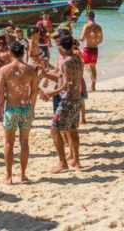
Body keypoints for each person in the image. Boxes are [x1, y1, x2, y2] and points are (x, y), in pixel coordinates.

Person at [0, 41, 40, 185]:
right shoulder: (31, 69)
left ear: (10, 52)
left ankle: (9, 177)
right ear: (23, 53)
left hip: (11, 109)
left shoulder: (4, 70)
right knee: (24, 142)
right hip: (26, 109)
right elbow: (34, 91)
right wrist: (32, 109)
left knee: (9, 143)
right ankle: (22, 174)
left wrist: (0, 109)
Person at [41, 33, 82, 173]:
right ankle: (76, 160)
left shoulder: (67, 61)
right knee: (72, 128)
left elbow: (67, 85)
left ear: (62, 47)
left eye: (58, 46)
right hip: (77, 99)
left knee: (54, 130)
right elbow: (63, 81)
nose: (57, 49)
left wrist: (50, 93)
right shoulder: (77, 58)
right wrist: (45, 74)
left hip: (68, 101)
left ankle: (62, 162)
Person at [79, 10, 103, 91]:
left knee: (83, 66)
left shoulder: (86, 26)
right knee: (93, 67)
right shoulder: (99, 27)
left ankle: (81, 86)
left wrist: (75, 40)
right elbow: (100, 39)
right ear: (94, 17)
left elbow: (82, 38)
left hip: (87, 49)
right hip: (94, 49)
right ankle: (93, 86)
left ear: (87, 17)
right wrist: (94, 42)